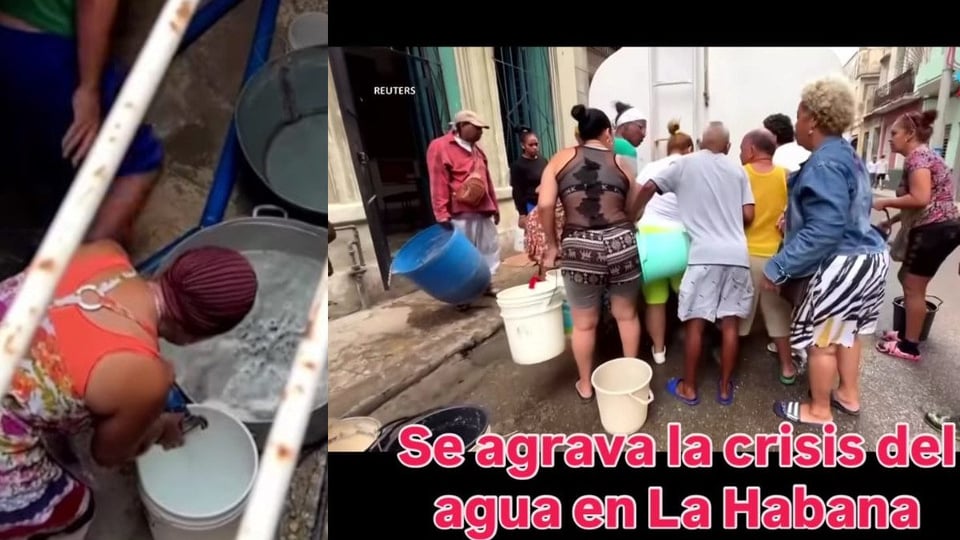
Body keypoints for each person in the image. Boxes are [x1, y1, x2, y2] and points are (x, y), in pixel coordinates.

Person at [0, 240, 258, 539]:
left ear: (170, 269)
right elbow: (106, 455)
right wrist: (158, 426)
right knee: (72, 508)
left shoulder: (105, 252)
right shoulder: (147, 375)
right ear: (196, 337)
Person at [762, 75, 888, 425]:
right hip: (867, 257)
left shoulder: (824, 163)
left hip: (843, 264)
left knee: (824, 341)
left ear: (813, 120)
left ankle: (818, 410)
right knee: (846, 332)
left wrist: (778, 266)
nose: (797, 123)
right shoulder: (847, 155)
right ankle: (847, 394)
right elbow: (844, 210)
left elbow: (825, 230)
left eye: (799, 115)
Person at [0, 0, 164, 255]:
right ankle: (78, 274)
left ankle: (41, 204)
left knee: (30, 142)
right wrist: (89, 88)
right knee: (137, 163)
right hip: (45, 56)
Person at [635, 122, 755, 406]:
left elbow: (650, 186)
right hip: (738, 256)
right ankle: (725, 388)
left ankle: (689, 388)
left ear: (701, 143)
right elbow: (748, 214)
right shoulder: (738, 170)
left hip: (703, 256)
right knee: (729, 325)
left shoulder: (684, 164)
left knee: (695, 325)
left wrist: (633, 212)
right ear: (727, 147)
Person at [539, 105, 642, 402]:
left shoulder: (560, 158)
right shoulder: (621, 162)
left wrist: (552, 245)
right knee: (626, 316)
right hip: (621, 242)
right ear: (608, 133)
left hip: (580, 246)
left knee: (584, 323)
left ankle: (585, 384)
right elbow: (633, 208)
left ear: (580, 133)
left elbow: (545, 205)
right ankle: (631, 380)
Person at [874, 110, 960, 362]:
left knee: (913, 286)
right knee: (909, 281)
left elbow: (920, 198)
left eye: (894, 133)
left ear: (910, 134)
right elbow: (925, 201)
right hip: (941, 227)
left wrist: (886, 201)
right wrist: (893, 219)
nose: (890, 139)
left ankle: (909, 346)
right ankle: (906, 334)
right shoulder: (924, 156)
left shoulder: (917, 158)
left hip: (935, 229)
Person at [737, 128, 796, 385]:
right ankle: (787, 367)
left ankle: (731, 364)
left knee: (738, 314)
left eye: (741, 149)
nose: (740, 154)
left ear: (751, 150)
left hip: (745, 255)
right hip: (777, 258)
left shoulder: (740, 174)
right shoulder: (787, 176)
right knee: (778, 314)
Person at [634, 120, 693, 364]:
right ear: (690, 149)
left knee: (655, 301)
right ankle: (692, 344)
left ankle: (658, 351)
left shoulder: (650, 168)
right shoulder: (691, 168)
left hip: (650, 242)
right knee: (689, 298)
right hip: (680, 242)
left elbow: (636, 198)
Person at [427, 110, 501, 298]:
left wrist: (495, 207)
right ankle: (463, 294)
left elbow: (487, 180)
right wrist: (441, 213)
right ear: (460, 127)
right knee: (461, 256)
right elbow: (438, 181)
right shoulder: (440, 147)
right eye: (476, 128)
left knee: (488, 249)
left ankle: (486, 284)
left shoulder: (478, 151)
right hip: (460, 213)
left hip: (483, 210)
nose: (480, 132)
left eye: (481, 129)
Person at [510, 127, 547, 229]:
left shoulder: (543, 161)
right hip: (530, 206)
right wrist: (522, 213)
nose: (534, 147)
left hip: (545, 204)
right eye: (531, 145)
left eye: (536, 144)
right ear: (523, 145)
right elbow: (517, 190)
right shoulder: (518, 165)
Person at [612, 101, 647, 170]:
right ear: (624, 125)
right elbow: (629, 180)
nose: (644, 134)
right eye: (640, 127)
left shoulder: (606, 142)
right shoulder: (625, 147)